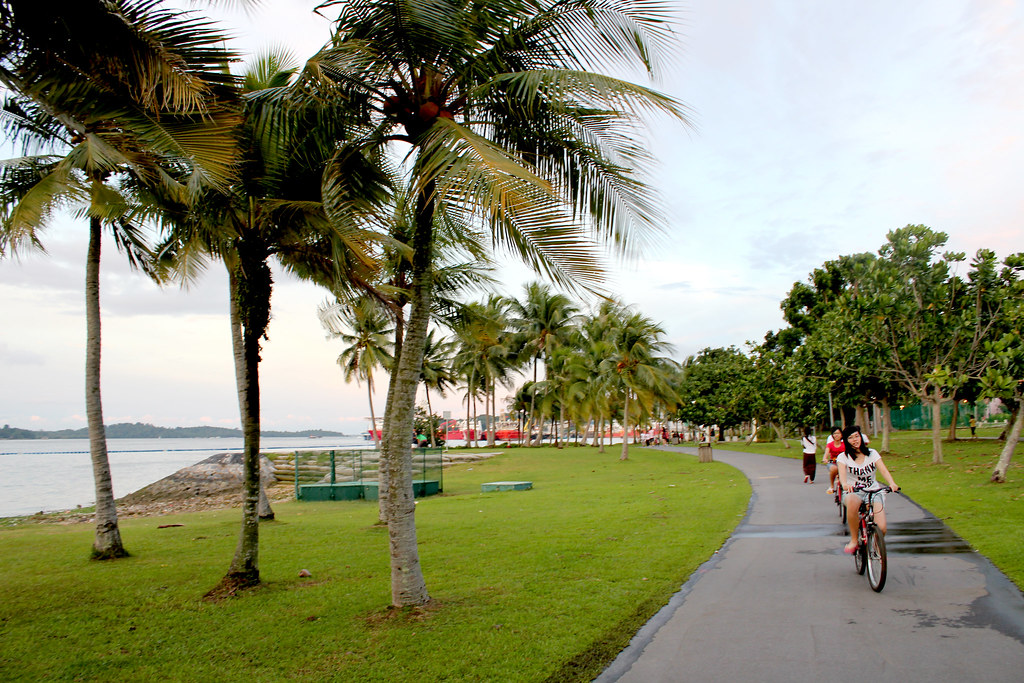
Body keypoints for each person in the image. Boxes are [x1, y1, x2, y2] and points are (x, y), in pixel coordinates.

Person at [838, 425, 899, 554]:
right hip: (854, 491)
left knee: (881, 528)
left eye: (857, 436)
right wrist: (845, 484)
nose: (855, 440)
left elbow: (883, 469)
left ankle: (875, 548)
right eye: (850, 438)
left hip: (874, 491)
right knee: (853, 502)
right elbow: (842, 477)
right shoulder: (843, 457)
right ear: (846, 441)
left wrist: (892, 483)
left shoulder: (872, 453)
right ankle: (854, 539)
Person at [823, 426, 845, 494]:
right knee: (833, 468)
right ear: (832, 435)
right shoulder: (830, 445)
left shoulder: (845, 445)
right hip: (833, 463)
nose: (837, 435)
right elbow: (826, 454)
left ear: (841, 435)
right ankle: (832, 486)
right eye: (835, 433)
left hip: (843, 464)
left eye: (838, 433)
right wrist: (825, 459)